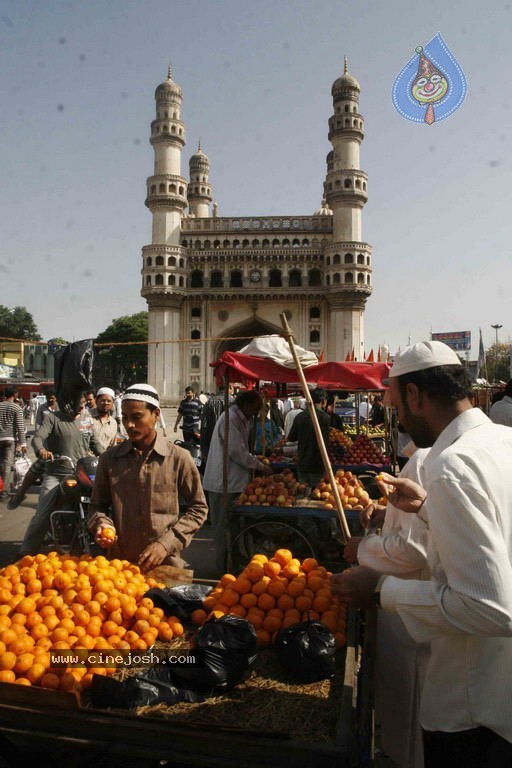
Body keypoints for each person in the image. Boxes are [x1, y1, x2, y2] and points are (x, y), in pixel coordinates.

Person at [331, 341, 512, 768]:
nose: (399, 419)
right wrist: (428, 510)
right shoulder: (503, 440)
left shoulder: (452, 464)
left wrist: (380, 590)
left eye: (396, 406)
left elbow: (490, 608)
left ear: (415, 395)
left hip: (472, 701)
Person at [344, 446, 430, 768]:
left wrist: (364, 548)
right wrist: (385, 513)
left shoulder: (424, 461)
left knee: (409, 706)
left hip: (409, 603)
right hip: (408, 600)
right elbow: (420, 524)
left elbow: (415, 548)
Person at [88, 383, 208, 572]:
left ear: (156, 415)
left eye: (137, 417)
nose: (129, 425)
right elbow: (97, 506)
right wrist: (101, 524)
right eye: (125, 418)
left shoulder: (178, 458)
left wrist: (166, 544)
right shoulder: (109, 459)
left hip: (165, 566)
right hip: (119, 569)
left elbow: (198, 509)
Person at [202, 390, 272, 573]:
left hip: (234, 482)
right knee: (223, 529)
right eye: (255, 408)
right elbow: (237, 452)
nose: (256, 413)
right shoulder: (230, 419)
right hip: (223, 483)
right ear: (246, 405)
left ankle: (233, 565)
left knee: (234, 529)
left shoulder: (241, 419)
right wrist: (259, 465)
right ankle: (223, 570)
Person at [19, 398, 94, 554]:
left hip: (80, 474)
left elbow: (94, 443)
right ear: (67, 401)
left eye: (83, 402)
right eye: (77, 402)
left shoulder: (87, 419)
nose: (81, 406)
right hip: (57, 474)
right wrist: (41, 451)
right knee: (42, 515)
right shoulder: (53, 418)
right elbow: (38, 438)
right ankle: (26, 551)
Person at [288, 388, 330, 486]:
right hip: (318, 464)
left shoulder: (300, 416)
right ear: (323, 401)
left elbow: (292, 437)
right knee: (317, 493)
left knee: (303, 492)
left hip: (303, 463)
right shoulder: (325, 418)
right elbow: (325, 442)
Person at [0, 386, 27, 502]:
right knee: (6, 466)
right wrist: (23, 444)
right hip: (9, 440)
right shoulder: (16, 407)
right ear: (15, 395)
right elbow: (20, 427)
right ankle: (3, 493)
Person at [200, 384, 234, 464]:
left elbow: (204, 427)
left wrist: (204, 450)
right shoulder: (234, 403)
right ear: (229, 387)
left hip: (213, 445)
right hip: (231, 446)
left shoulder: (209, 402)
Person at [90, 387, 118, 454]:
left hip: (104, 461)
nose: (106, 403)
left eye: (109, 401)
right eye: (103, 400)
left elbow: (113, 445)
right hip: (86, 461)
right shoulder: (86, 416)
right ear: (96, 401)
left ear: (113, 403)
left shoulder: (113, 423)